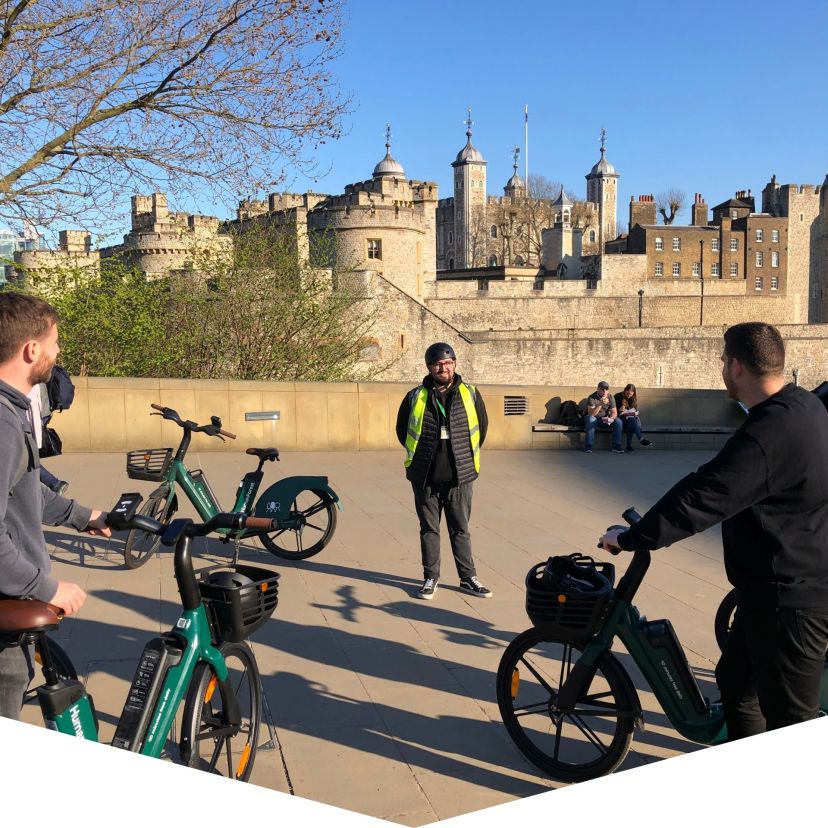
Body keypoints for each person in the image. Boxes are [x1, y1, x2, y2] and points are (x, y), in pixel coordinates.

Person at [599, 322, 828, 740]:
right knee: (737, 686)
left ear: (737, 367)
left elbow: (702, 495)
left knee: (791, 723)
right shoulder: (804, 406)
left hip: (790, 601)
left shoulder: (766, 437)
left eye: (724, 360)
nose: (722, 368)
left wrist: (631, 537)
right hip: (768, 590)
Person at [0, 293, 111, 720]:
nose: (58, 351)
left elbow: (25, 490)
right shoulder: (4, 424)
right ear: (32, 350)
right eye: (54, 342)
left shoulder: (12, 411)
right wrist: (45, 588)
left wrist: (84, 517)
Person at [396, 342, 492, 600]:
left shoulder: (470, 394)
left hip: (459, 475)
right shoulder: (416, 396)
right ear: (429, 367)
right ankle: (430, 578)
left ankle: (468, 577)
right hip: (425, 475)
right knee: (429, 529)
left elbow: (481, 429)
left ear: (454, 365)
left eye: (448, 363)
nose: (443, 368)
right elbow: (402, 431)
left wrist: (464, 458)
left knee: (460, 528)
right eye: (438, 364)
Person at [27, 381, 68, 494]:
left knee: (26, 456)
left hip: (35, 415)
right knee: (26, 455)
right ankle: (53, 484)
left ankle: (54, 483)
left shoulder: (29, 374)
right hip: (42, 412)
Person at [584, 380, 624, 453]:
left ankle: (616, 446)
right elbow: (591, 414)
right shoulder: (592, 397)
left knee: (618, 421)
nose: (604, 392)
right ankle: (588, 445)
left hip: (605, 420)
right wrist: (600, 404)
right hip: (595, 419)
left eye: (606, 389)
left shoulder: (610, 397)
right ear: (598, 389)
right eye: (602, 389)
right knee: (590, 419)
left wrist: (611, 418)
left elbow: (614, 412)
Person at [614, 383, 652, 452]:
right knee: (631, 420)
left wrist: (634, 413)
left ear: (633, 393)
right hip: (619, 419)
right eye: (628, 393)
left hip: (629, 419)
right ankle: (640, 439)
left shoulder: (633, 399)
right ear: (625, 390)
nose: (629, 395)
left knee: (631, 423)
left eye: (631, 394)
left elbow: (635, 410)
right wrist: (619, 410)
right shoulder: (618, 396)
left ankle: (629, 446)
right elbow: (612, 409)